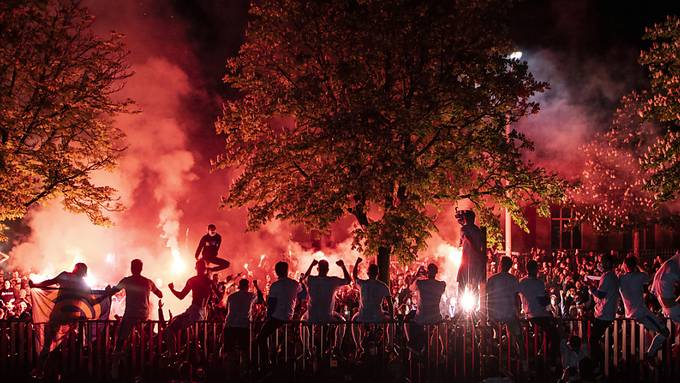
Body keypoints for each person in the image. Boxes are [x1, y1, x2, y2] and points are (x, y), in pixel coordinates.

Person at [28, 263, 92, 377]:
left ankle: (41, 370)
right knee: (70, 345)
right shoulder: (83, 284)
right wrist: (106, 293)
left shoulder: (66, 276)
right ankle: (68, 371)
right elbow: (91, 299)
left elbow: (49, 282)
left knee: (48, 344)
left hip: (59, 315)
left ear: (75, 268)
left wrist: (35, 285)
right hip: (73, 318)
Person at [95, 259, 163, 352]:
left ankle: (117, 357)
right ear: (141, 268)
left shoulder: (127, 281)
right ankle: (148, 351)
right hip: (144, 315)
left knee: (121, 337)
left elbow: (113, 291)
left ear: (131, 268)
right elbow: (160, 294)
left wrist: (100, 298)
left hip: (130, 314)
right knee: (145, 335)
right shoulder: (148, 282)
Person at [618, 255, 670, 360]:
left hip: (629, 315)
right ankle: (649, 354)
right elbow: (650, 277)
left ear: (625, 266)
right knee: (665, 332)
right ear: (635, 266)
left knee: (655, 332)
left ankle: (650, 354)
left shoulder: (621, 278)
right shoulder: (639, 276)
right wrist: (639, 266)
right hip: (642, 313)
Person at [255, 261, 302, 364]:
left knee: (260, 339)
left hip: (277, 317)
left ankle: (266, 363)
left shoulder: (275, 285)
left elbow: (271, 304)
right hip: (289, 317)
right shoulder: (295, 283)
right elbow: (302, 294)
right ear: (287, 271)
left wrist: (267, 317)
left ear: (276, 272)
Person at [486, 256, 527, 369]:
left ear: (500, 264)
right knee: (519, 338)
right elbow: (516, 298)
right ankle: (523, 364)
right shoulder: (513, 279)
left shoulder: (492, 279)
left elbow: (488, 298)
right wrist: (517, 313)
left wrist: (489, 315)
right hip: (509, 314)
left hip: (496, 315)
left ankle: (493, 364)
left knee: (494, 340)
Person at [302, 259, 351, 351]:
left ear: (317, 269)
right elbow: (348, 281)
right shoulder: (333, 280)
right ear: (328, 270)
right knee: (343, 321)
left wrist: (311, 265)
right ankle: (337, 347)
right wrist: (343, 266)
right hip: (328, 316)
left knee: (302, 322)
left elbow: (304, 278)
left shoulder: (311, 279)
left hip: (311, 316)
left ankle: (307, 347)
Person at [165, 260, 213, 354]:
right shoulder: (209, 282)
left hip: (194, 312)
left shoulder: (193, 280)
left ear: (196, 268)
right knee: (196, 337)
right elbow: (219, 297)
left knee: (169, 329)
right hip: (204, 313)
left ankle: (173, 355)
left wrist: (171, 289)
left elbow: (181, 296)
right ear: (205, 269)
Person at [518, 259, 560, 363]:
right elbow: (543, 302)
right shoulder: (539, 283)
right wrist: (547, 298)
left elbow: (517, 296)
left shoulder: (522, 282)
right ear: (535, 269)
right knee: (555, 336)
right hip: (540, 315)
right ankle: (550, 359)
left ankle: (541, 352)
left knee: (547, 334)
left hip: (528, 314)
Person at [351, 258, 394, 353]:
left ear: (368, 273)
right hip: (378, 316)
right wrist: (391, 318)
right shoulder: (383, 286)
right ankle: (390, 345)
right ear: (377, 274)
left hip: (363, 316)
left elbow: (354, 276)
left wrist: (357, 263)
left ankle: (358, 346)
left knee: (353, 321)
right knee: (390, 321)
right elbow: (390, 304)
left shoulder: (362, 284)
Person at [588, 254, 620, 369]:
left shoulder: (607, 276)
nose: (600, 264)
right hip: (607, 313)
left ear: (607, 264)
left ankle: (599, 363)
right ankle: (601, 362)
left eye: (602, 262)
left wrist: (590, 287)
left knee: (593, 340)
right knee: (595, 339)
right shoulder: (612, 276)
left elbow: (600, 294)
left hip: (604, 314)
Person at [408, 263, 446, 354]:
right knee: (441, 323)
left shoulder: (420, 283)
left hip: (421, 318)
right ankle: (444, 347)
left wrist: (417, 276)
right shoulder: (441, 284)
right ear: (436, 272)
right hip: (435, 317)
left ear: (427, 272)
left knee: (407, 319)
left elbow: (410, 288)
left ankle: (411, 344)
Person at [224, 278, 263, 352]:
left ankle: (229, 363)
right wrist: (256, 286)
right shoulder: (251, 296)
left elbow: (227, 309)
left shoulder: (231, 296)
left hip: (230, 325)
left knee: (229, 352)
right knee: (244, 351)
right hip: (243, 326)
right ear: (247, 286)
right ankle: (243, 363)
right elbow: (261, 300)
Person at [456, 209, 486, 295]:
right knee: (475, 285)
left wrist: (477, 252)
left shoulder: (464, 229)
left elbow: (466, 240)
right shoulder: (478, 230)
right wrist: (480, 254)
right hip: (476, 262)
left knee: (462, 284)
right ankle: (474, 306)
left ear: (466, 218)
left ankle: (460, 306)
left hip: (466, 261)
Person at [651, 250, 680, 325]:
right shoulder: (674, 265)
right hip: (672, 308)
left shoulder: (668, 264)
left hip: (666, 307)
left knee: (667, 333)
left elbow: (653, 290)